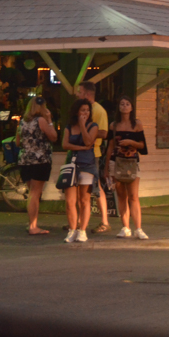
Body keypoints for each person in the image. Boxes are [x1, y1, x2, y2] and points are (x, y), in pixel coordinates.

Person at [103, 95, 148, 239]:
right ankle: (125, 227)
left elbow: (142, 145)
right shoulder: (114, 125)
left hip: (132, 162)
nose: (124, 106)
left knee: (133, 196)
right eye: (122, 104)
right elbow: (110, 146)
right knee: (121, 195)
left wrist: (131, 142)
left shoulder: (137, 124)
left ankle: (138, 228)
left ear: (132, 107)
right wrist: (106, 167)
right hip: (116, 161)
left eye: (127, 104)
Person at [17, 96, 57, 235]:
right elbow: (53, 137)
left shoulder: (22, 122)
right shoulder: (41, 121)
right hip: (40, 160)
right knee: (35, 193)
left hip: (25, 160)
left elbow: (17, 142)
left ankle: (31, 223)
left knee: (32, 193)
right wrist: (50, 120)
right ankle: (33, 226)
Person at [61, 98, 98, 243]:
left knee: (84, 199)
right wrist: (81, 148)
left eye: (88, 110)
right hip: (71, 165)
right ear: (76, 112)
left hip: (87, 165)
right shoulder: (69, 127)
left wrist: (82, 125)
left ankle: (82, 230)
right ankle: (72, 229)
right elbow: (65, 144)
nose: (85, 113)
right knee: (70, 200)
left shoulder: (93, 126)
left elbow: (89, 141)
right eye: (83, 110)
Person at [76, 81, 111, 233]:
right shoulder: (79, 110)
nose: (77, 95)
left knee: (95, 187)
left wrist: (89, 132)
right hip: (79, 153)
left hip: (93, 153)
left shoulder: (99, 110)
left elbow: (104, 133)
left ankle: (105, 221)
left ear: (87, 94)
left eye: (80, 92)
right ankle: (79, 221)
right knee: (79, 187)